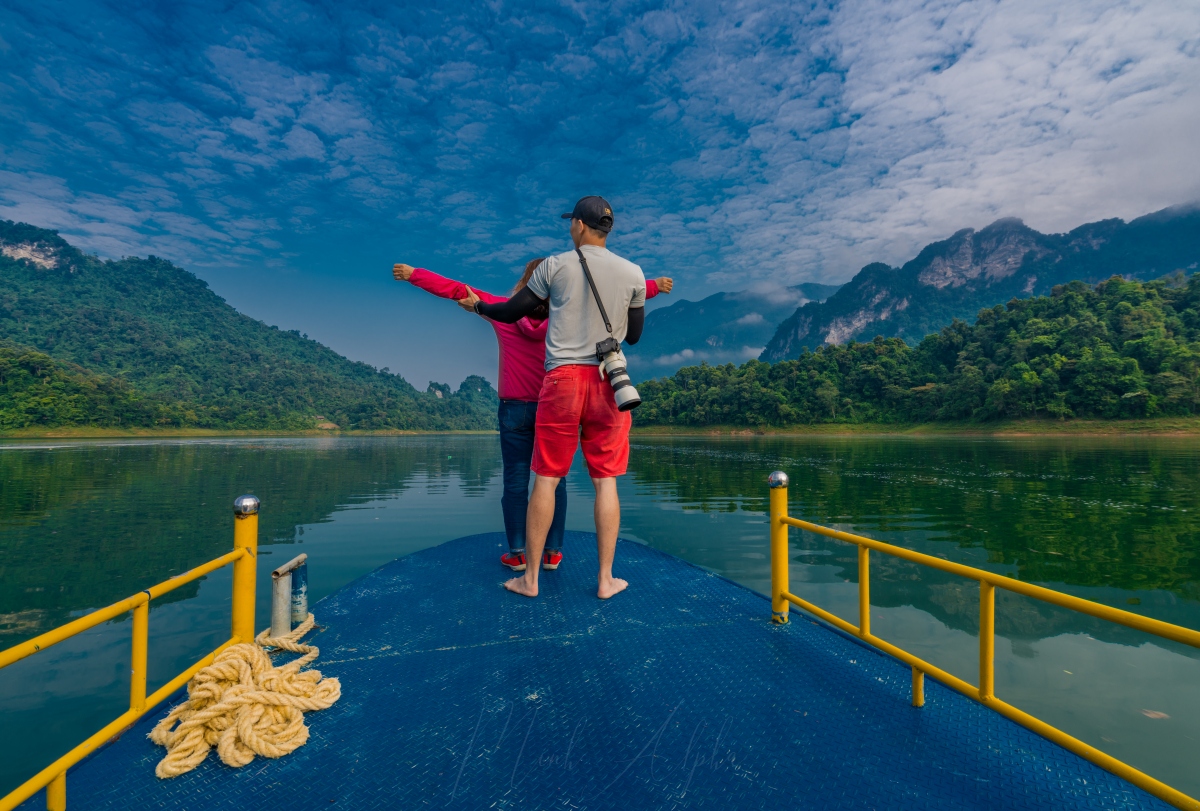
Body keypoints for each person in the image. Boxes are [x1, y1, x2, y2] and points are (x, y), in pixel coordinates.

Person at [392, 256, 672, 574]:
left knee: (514, 480)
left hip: (514, 409)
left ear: (525, 286)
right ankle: (552, 553)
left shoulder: (503, 310)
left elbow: (456, 290)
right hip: (556, 406)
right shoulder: (568, 318)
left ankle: (518, 553)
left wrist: (415, 274)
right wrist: (654, 287)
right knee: (555, 480)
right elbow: (618, 296)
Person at [458, 196, 646, 600]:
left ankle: (530, 580)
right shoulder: (634, 273)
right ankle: (605, 580)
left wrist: (479, 306)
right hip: (609, 381)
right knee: (605, 481)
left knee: (546, 478)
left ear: (579, 225)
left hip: (563, 380)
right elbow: (634, 336)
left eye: (571, 223)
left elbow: (512, 312)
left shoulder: (556, 265)